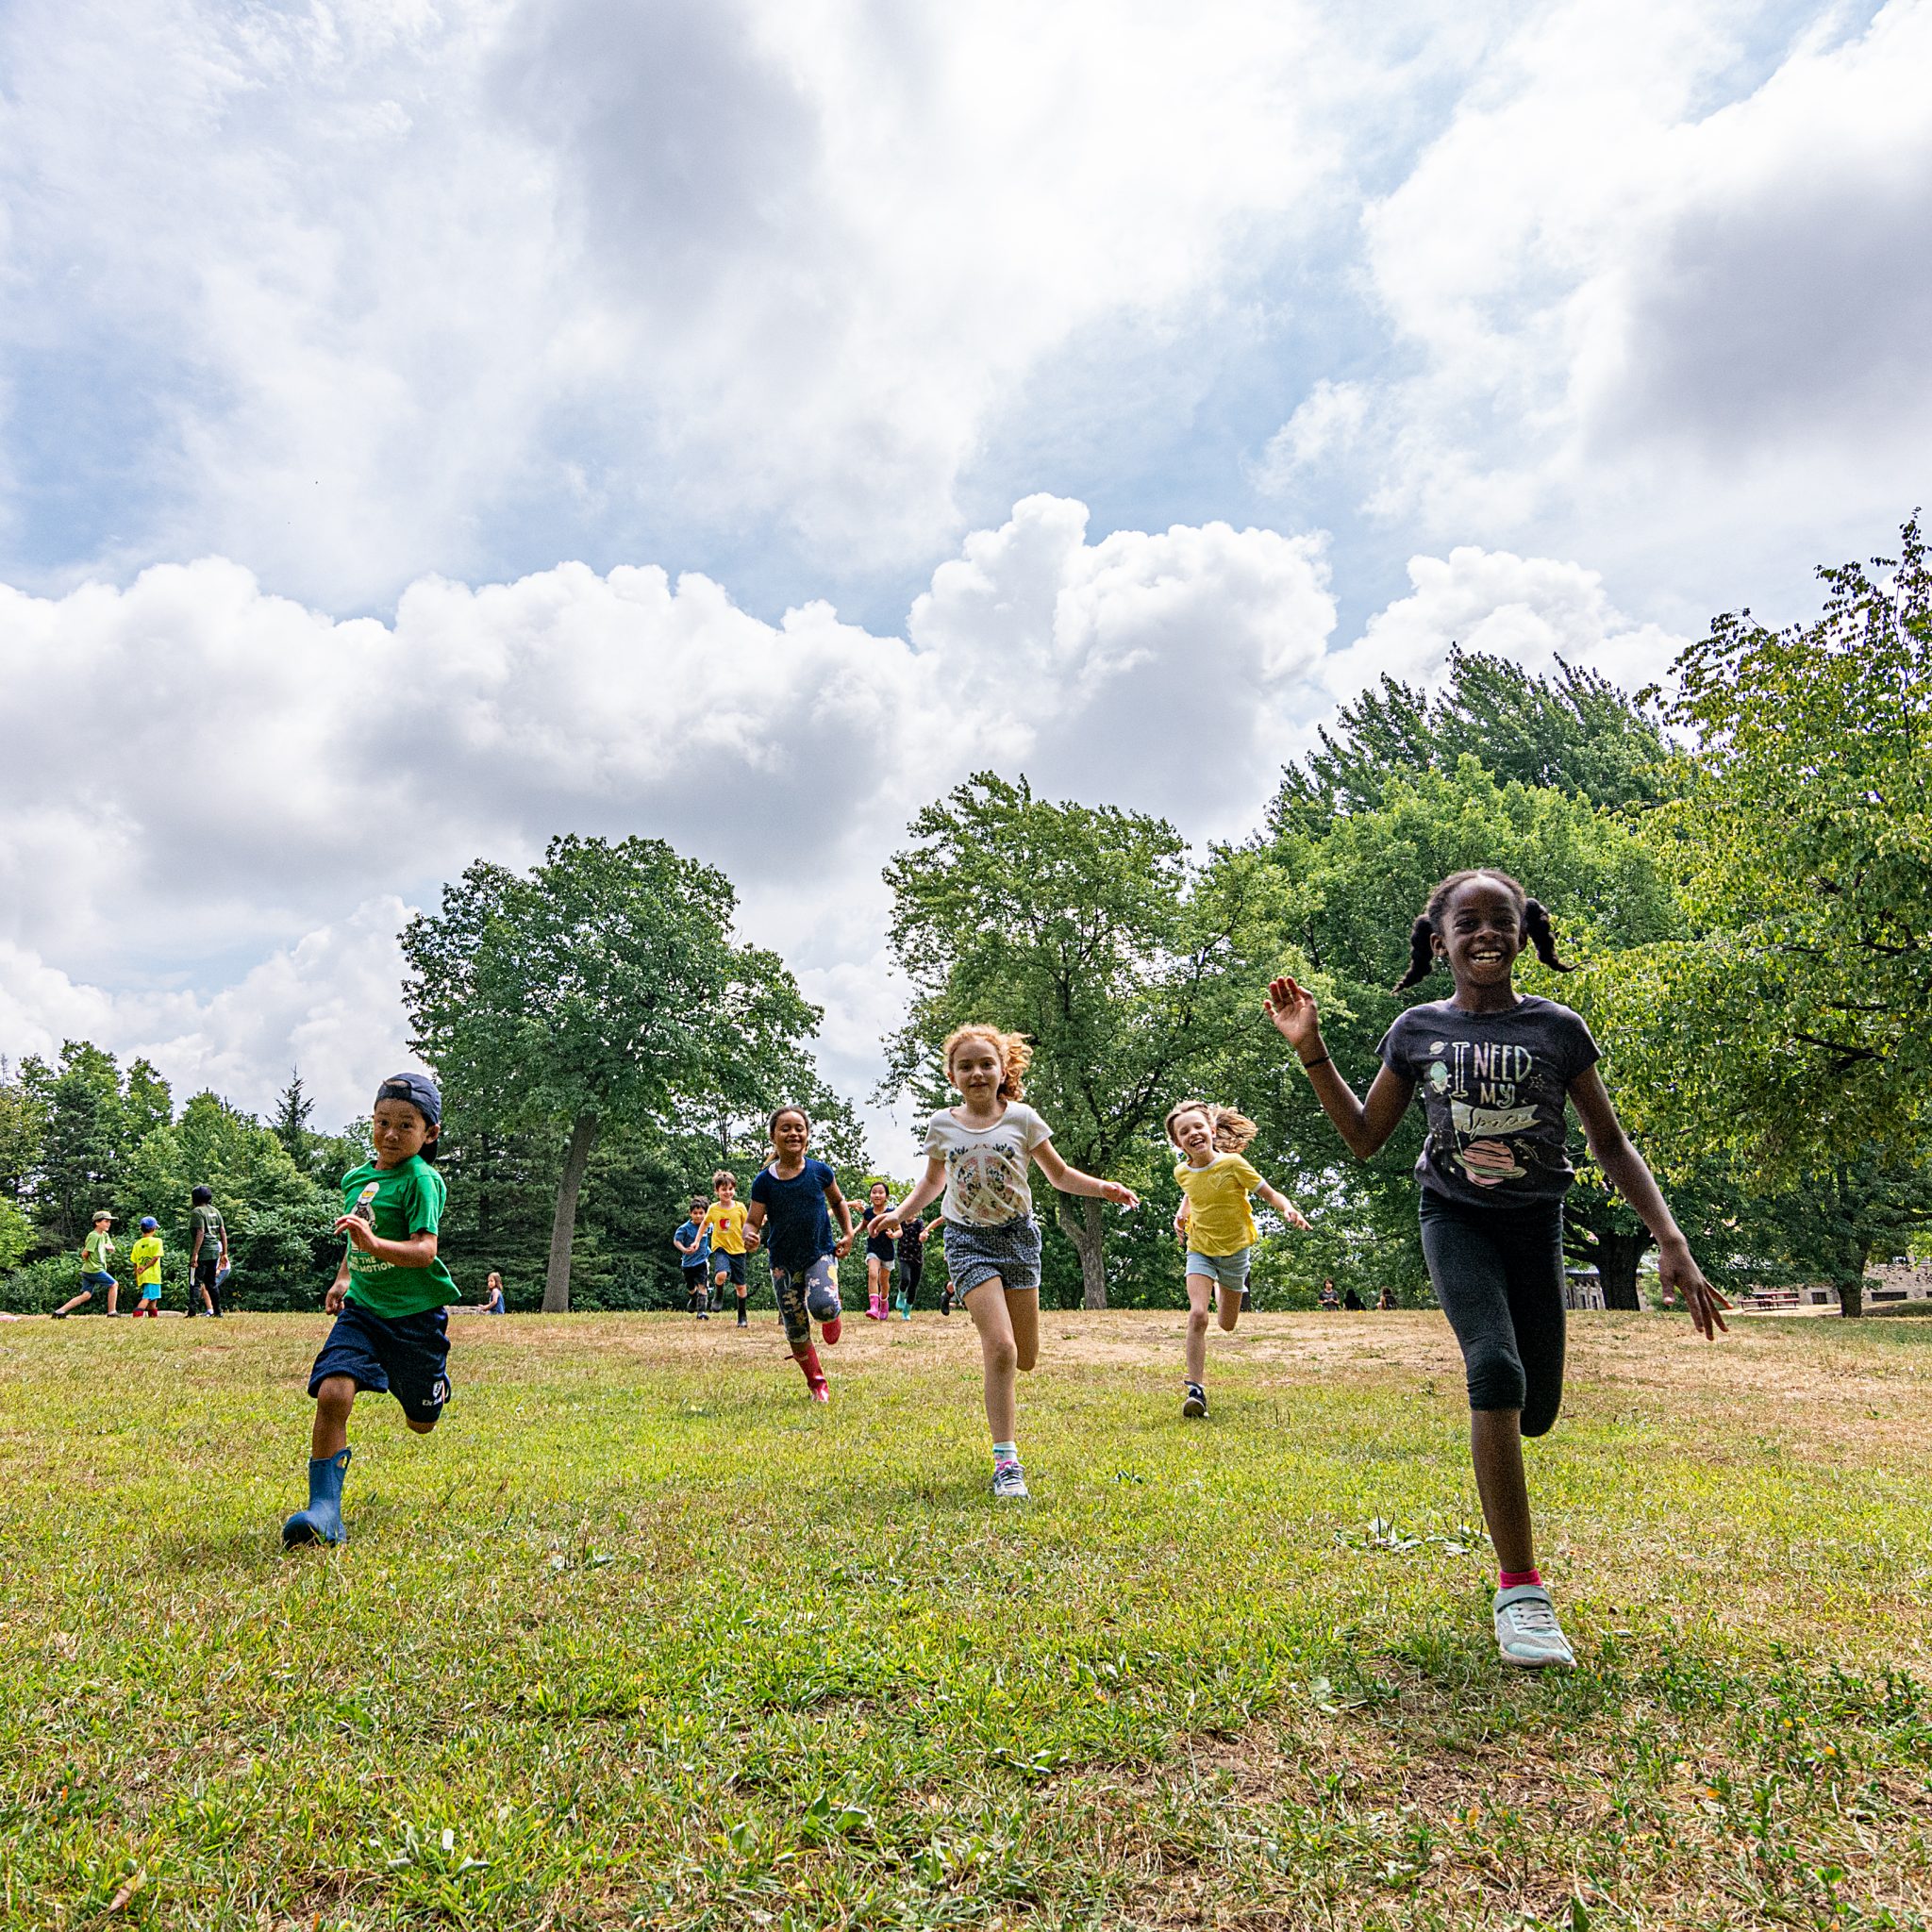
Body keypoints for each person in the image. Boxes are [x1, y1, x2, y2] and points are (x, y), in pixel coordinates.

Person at [1265, 867, 1728, 1670]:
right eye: (1468, 923)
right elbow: (1366, 1137)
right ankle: (1521, 1593)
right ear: (1438, 939)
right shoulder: (1416, 1029)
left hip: (1534, 1221)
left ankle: (1512, 1445)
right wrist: (1313, 1052)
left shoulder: (1558, 1028)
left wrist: (1672, 1240)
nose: (1486, 935)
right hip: (1454, 1218)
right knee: (1494, 1369)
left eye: (1501, 921)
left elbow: (1610, 1144)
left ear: (1524, 933)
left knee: (1535, 1406)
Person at [882, 1025, 1138, 1499]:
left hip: (1019, 1239)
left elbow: (1058, 1175)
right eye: (966, 1066)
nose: (977, 1073)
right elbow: (934, 1182)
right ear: (952, 1074)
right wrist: (900, 1213)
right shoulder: (942, 1125)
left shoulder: (1022, 1118)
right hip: (966, 1240)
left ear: (1002, 1070)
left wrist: (1104, 1188)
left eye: (985, 1064)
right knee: (1000, 1348)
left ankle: (1009, 1419)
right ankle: (1006, 1462)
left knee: (1026, 1356)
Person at [282, 1073, 459, 1549]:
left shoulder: (423, 1180)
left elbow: (424, 1250)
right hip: (362, 1310)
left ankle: (432, 1388)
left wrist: (375, 1244)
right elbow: (355, 1240)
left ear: (430, 1134)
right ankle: (325, 1512)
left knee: (420, 1423)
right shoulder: (358, 1179)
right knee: (333, 1391)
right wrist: (344, 1276)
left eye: (406, 1125)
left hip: (415, 1319)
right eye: (383, 1121)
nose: (391, 1134)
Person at [1165, 1100, 1309, 1421]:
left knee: (1226, 1324)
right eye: (1184, 1132)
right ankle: (1196, 1390)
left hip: (1234, 1253)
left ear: (1212, 1130)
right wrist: (1181, 1214)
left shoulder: (1234, 1164)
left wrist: (1287, 1208)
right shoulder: (1181, 1172)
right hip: (1200, 1248)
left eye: (1199, 1127)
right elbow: (1193, 1188)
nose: (1193, 1134)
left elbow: (1269, 1193)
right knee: (1198, 1315)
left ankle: (1222, 1288)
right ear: (1178, 1142)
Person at [745, 1107, 853, 1402]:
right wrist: (749, 1237)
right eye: (785, 1128)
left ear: (806, 1135)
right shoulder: (764, 1182)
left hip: (819, 1253)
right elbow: (753, 1221)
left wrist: (848, 1233)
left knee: (823, 1306)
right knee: (795, 1327)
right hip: (782, 1262)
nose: (793, 1133)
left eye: (798, 1128)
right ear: (773, 1136)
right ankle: (818, 1384)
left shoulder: (820, 1171)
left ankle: (833, 1310)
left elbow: (840, 1202)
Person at [703, 1172, 753, 1327]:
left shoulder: (740, 1207)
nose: (727, 1192)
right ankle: (718, 1294)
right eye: (723, 1189)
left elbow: (748, 1224)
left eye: (730, 1188)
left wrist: (753, 1234)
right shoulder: (713, 1209)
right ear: (717, 1191)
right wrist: (698, 1241)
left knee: (740, 1286)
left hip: (739, 1249)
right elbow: (704, 1224)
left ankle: (742, 1316)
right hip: (721, 1248)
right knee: (721, 1274)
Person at [52, 1210, 120, 1318]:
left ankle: (59, 1312)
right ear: (97, 1223)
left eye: (110, 1222)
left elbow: (111, 1248)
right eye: (106, 1221)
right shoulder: (94, 1236)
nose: (109, 1224)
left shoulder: (104, 1235)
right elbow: (84, 1253)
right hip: (94, 1269)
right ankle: (112, 1312)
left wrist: (110, 1247)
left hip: (89, 1269)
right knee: (114, 1284)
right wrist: (91, 1261)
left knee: (86, 1295)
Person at [188, 1185, 229, 1318]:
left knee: (195, 1282)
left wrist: (195, 1254)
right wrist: (224, 1253)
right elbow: (222, 1232)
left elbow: (200, 1233)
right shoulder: (216, 1211)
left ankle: (192, 1312)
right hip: (213, 1251)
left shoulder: (197, 1212)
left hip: (202, 1252)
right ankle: (218, 1312)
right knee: (211, 1283)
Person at [858, 1181, 896, 1321]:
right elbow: (862, 1226)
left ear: (886, 1196)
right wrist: (850, 1234)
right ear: (870, 1196)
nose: (877, 1195)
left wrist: (893, 1235)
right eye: (874, 1192)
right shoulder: (868, 1213)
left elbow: (900, 1231)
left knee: (883, 1281)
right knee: (872, 1274)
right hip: (873, 1248)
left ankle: (884, 1302)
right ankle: (873, 1307)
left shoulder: (891, 1213)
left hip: (888, 1251)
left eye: (880, 1192)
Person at [893, 1207, 937, 1318]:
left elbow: (923, 1235)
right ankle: (901, 1296)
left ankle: (906, 1311)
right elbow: (895, 1230)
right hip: (904, 1256)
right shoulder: (900, 1223)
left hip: (917, 1259)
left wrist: (923, 1237)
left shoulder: (919, 1223)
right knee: (905, 1279)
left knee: (913, 1286)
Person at [672, 1197, 711, 1318]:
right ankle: (693, 1298)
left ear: (706, 1213)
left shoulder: (708, 1226)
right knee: (691, 1287)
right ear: (690, 1213)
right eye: (695, 1213)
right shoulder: (685, 1228)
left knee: (703, 1285)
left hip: (702, 1261)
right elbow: (676, 1241)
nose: (698, 1216)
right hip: (688, 1263)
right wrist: (684, 1249)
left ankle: (701, 1312)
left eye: (701, 1213)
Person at [129, 1216, 165, 1317]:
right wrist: (145, 1267)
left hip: (142, 1275)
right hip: (153, 1276)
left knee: (153, 1300)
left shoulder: (137, 1243)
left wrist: (136, 1275)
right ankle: (137, 1316)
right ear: (154, 1229)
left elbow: (135, 1262)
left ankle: (153, 1319)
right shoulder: (157, 1241)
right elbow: (156, 1258)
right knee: (147, 1298)